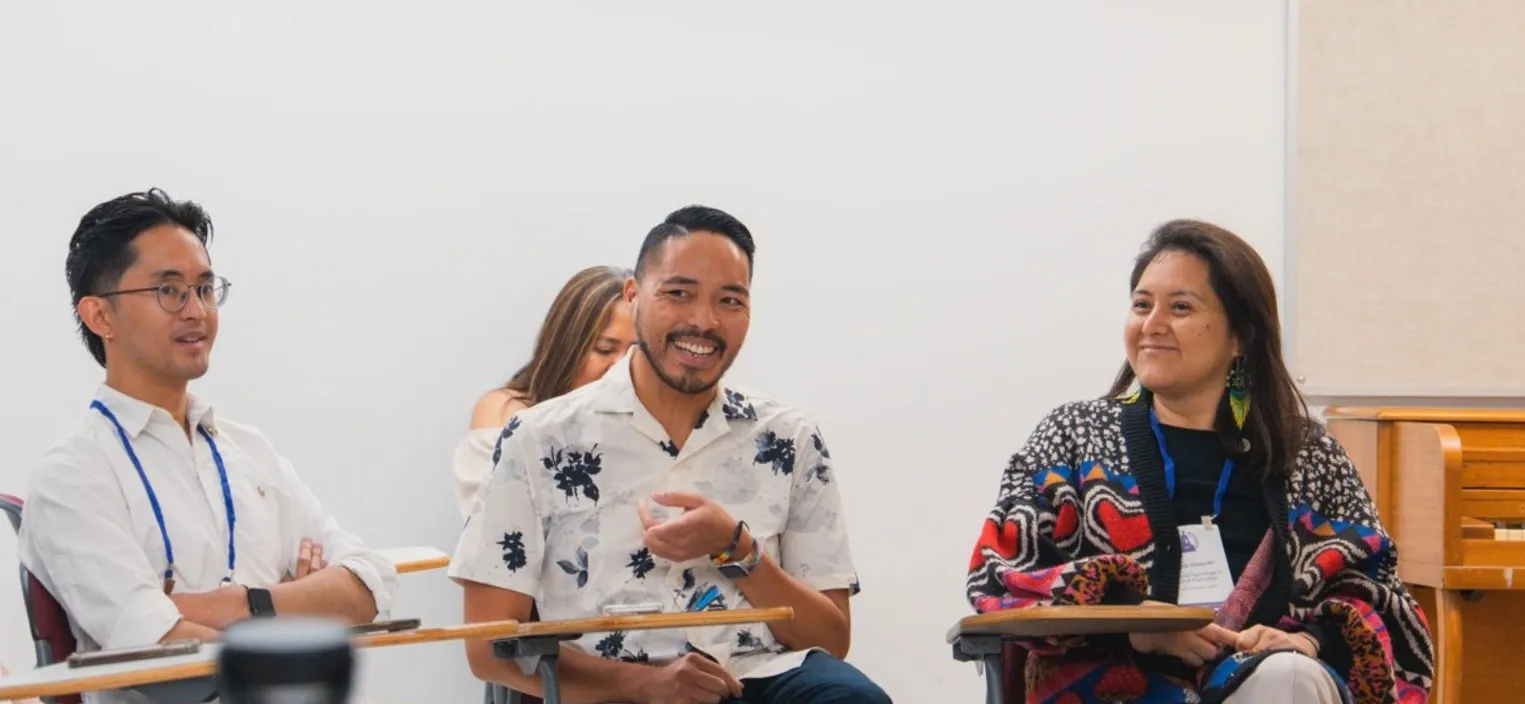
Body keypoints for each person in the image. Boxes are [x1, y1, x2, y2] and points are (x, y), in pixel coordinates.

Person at [965, 219, 1433, 704]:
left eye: (1181, 307)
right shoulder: (1071, 438)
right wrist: (1136, 624)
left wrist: (1307, 642)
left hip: (1263, 683)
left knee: (1289, 678)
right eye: (1142, 305)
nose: (1152, 325)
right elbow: (997, 575)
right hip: (1112, 683)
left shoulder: (1307, 454)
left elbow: (1384, 599)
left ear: (1241, 337)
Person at [449, 205, 890, 704]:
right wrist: (644, 685)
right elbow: (488, 646)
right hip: (609, 686)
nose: (703, 321)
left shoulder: (791, 439)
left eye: (729, 300)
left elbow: (831, 640)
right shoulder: (537, 438)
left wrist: (736, 548)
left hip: (758, 675)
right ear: (633, 296)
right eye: (679, 293)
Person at [18, 189, 397, 700]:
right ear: (99, 316)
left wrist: (240, 604)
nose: (196, 310)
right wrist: (298, 607)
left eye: (205, 288)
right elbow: (159, 644)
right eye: (169, 291)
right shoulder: (74, 474)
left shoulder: (248, 449)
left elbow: (371, 585)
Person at [452, 265, 636, 518]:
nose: (621, 366)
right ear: (567, 347)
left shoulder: (648, 419)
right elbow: (494, 528)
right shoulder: (506, 411)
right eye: (604, 349)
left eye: (637, 352)